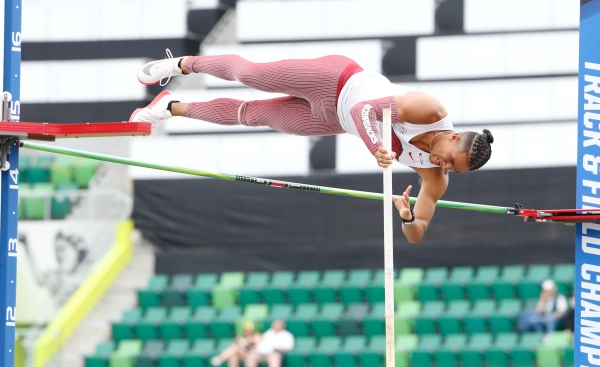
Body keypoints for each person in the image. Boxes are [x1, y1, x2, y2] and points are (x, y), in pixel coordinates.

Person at [131, 52, 494, 243]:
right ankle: (181, 65)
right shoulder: (429, 109)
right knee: (252, 75)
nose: (439, 166)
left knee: (251, 115)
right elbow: (362, 110)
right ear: (451, 136)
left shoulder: (434, 177)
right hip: (336, 81)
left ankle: (169, 107)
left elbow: (418, 234)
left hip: (330, 121)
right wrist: (375, 149)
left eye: (449, 169)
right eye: (447, 160)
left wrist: (407, 216)